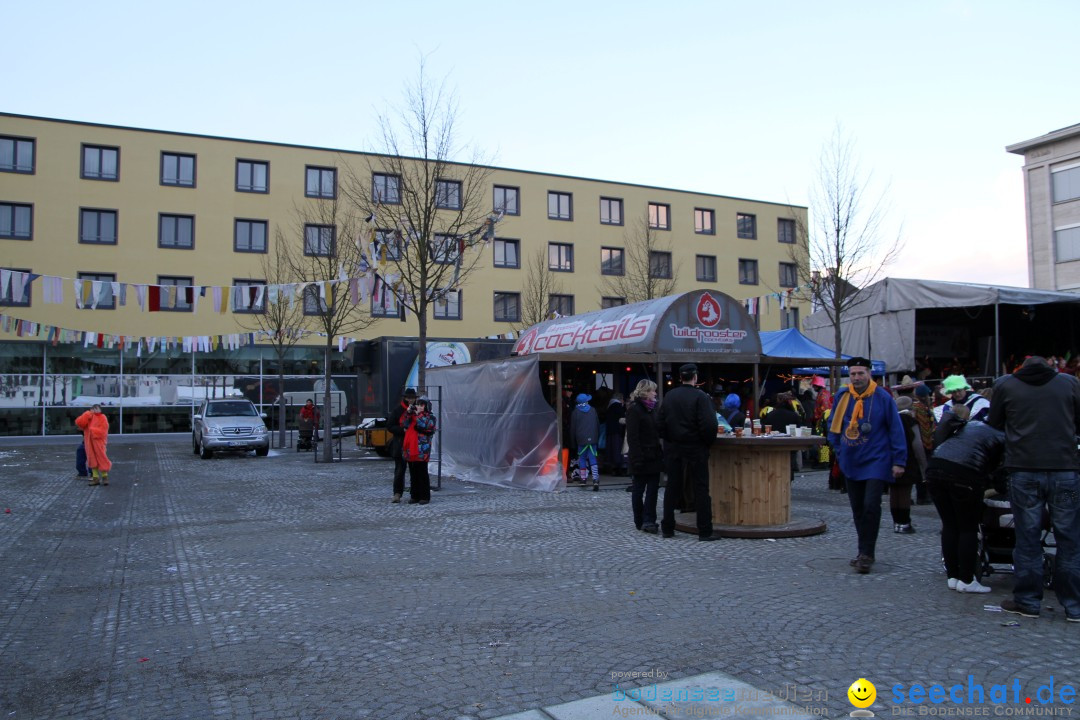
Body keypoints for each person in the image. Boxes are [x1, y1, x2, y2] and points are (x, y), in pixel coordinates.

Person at [987, 355, 1080, 619]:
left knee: (1027, 538)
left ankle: (1028, 601)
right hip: (1065, 471)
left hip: (1024, 469)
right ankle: (1074, 605)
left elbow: (994, 424)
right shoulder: (1069, 383)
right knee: (1070, 538)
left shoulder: (1006, 384)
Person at [827, 357, 907, 574]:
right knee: (858, 509)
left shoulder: (882, 397)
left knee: (872, 506)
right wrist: (838, 450)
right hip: (851, 460)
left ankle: (867, 554)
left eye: (860, 373)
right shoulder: (843, 396)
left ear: (869, 374)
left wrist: (899, 460)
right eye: (853, 374)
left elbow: (895, 429)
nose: (856, 378)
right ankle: (863, 551)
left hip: (877, 460)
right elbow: (833, 424)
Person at [927, 404, 1005, 593]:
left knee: (950, 525)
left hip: (936, 469)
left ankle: (953, 577)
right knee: (967, 527)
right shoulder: (1002, 437)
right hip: (964, 475)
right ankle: (968, 580)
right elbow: (998, 471)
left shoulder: (972, 426)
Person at [658, 363, 720, 541]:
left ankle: (668, 528)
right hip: (695, 447)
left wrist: (669, 439)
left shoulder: (670, 396)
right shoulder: (701, 397)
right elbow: (709, 425)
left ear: (680, 377)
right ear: (695, 377)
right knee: (701, 488)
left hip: (674, 447)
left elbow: (660, 423)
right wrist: (706, 443)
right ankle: (704, 530)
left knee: (672, 487)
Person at [625, 379, 663, 534]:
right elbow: (632, 437)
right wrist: (637, 458)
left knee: (653, 490)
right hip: (641, 456)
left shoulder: (652, 410)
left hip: (653, 455)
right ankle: (640, 520)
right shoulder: (635, 410)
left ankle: (649, 520)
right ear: (646, 392)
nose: (655, 393)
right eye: (653, 391)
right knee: (639, 489)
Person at [889, 396, 926, 534]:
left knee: (894, 492)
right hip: (907, 459)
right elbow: (917, 446)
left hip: (892, 459)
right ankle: (904, 522)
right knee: (904, 491)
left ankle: (896, 522)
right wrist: (924, 465)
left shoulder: (891, 420)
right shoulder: (910, 421)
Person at [401, 397, 437, 505]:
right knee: (413, 473)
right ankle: (414, 495)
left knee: (422, 473)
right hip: (411, 449)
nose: (420, 407)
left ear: (426, 406)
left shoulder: (430, 417)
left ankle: (424, 496)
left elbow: (426, 425)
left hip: (422, 450)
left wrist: (417, 415)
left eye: (422, 405)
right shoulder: (413, 415)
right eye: (418, 405)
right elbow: (404, 423)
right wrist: (408, 412)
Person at [387, 388, 417, 503]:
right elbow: (390, 426)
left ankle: (414, 494)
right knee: (400, 470)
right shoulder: (398, 410)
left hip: (413, 444)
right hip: (400, 444)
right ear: (405, 398)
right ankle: (397, 493)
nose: (410, 400)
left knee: (414, 470)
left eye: (412, 398)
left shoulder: (417, 409)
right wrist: (402, 430)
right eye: (408, 398)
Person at [75, 404, 111, 486]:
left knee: (101, 458)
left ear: (100, 410)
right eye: (93, 409)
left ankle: (105, 477)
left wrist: (92, 431)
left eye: (96, 408)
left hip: (99, 442)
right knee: (92, 459)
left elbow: (104, 430)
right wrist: (87, 414)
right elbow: (79, 423)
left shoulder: (102, 417)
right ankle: (95, 478)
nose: (95, 410)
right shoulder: (89, 417)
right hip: (88, 442)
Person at [570, 393, 600, 491]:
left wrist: (573, 442)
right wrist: (596, 438)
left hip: (581, 439)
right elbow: (597, 425)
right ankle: (595, 479)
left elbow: (573, 429)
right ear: (585, 402)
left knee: (582, 458)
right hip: (593, 438)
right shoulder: (593, 410)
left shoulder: (575, 412)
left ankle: (583, 479)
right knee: (592, 458)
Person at [604, 393, 627, 476]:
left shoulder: (610, 406)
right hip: (617, 431)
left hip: (610, 431)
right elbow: (622, 418)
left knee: (613, 450)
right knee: (618, 450)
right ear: (620, 399)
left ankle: (614, 468)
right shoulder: (618, 406)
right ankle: (619, 468)